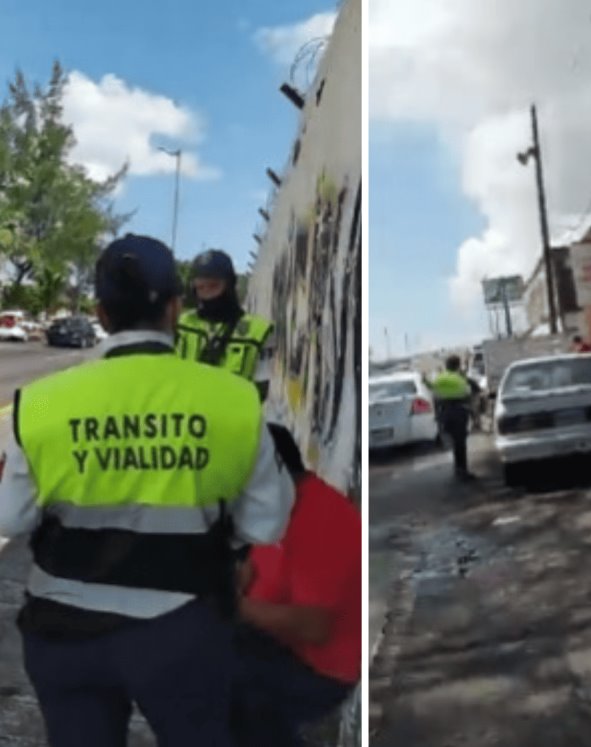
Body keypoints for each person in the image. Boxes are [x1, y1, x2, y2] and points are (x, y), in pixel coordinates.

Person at [0, 234, 294, 747]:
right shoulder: (236, 401)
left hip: (64, 633)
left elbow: (9, 520)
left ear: (101, 314)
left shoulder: (42, 403)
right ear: (177, 308)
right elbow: (267, 522)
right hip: (183, 629)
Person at [232, 424, 361, 747]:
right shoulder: (279, 508)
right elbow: (255, 569)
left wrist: (236, 607)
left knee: (219, 683)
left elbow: (316, 627)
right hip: (277, 644)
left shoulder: (322, 518)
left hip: (320, 671)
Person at [175, 248, 275, 400]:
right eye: (200, 287)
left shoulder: (258, 332)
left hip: (232, 418)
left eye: (213, 286)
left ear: (229, 285)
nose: (207, 294)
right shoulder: (181, 323)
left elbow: (260, 392)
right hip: (183, 417)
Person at [430, 355, 478, 481]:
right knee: (460, 443)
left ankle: (458, 469)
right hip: (459, 412)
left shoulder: (439, 378)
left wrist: (437, 417)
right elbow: (475, 389)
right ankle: (462, 470)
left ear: (446, 366)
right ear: (458, 365)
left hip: (445, 413)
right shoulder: (460, 377)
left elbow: (435, 397)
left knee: (455, 442)